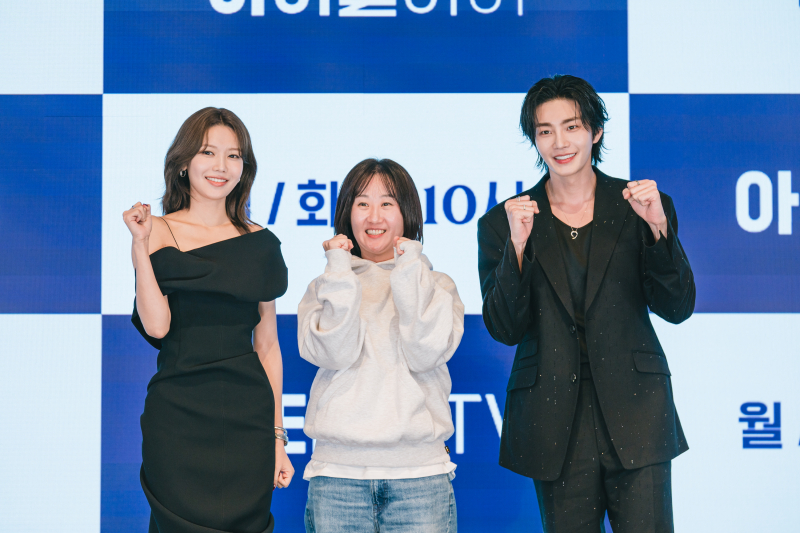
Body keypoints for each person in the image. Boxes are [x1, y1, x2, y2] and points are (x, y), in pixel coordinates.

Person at [478, 75, 696, 532]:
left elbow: (677, 306)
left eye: (572, 126)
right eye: (545, 131)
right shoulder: (505, 221)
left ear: (595, 132)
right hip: (553, 422)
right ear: (534, 140)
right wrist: (517, 248)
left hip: (638, 412)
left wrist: (658, 228)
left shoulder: (640, 205)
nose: (559, 142)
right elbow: (504, 328)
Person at [122, 107, 294, 533]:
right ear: (183, 162)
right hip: (178, 418)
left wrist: (277, 438)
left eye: (233, 156)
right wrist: (140, 247)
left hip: (246, 419)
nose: (221, 166)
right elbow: (157, 326)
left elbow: (268, 347)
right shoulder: (156, 231)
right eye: (208, 152)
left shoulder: (260, 243)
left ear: (244, 167)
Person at [297, 158, 464, 533]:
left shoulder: (438, 285)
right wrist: (340, 270)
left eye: (387, 203)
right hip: (337, 477)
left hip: (420, 477)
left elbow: (424, 353)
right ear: (347, 213)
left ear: (407, 213)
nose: (374, 216)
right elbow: (335, 354)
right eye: (362, 203)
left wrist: (409, 268)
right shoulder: (325, 285)